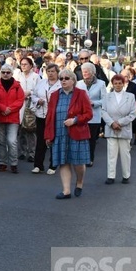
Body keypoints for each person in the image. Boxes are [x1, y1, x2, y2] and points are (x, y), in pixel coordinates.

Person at [44, 70, 93, 199]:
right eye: (61, 78)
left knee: (78, 163)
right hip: (59, 133)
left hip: (77, 132)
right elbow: (49, 116)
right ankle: (66, 190)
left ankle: (79, 182)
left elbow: (89, 114)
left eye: (66, 78)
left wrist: (75, 120)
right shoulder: (54, 95)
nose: (63, 80)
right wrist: (48, 135)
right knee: (63, 162)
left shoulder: (81, 94)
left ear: (73, 80)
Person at [102, 74, 136, 184]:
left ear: (124, 84)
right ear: (112, 84)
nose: (117, 85)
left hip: (124, 128)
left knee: (125, 154)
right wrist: (112, 123)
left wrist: (120, 123)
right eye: (115, 83)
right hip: (111, 127)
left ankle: (126, 175)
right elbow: (103, 111)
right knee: (111, 153)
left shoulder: (130, 96)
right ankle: (110, 176)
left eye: (120, 83)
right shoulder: (107, 96)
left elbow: (132, 114)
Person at [0, 63, 25, 173]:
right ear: (0, 73)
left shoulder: (17, 85)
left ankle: (13, 163)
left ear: (12, 73)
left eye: (8, 72)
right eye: (3, 72)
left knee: (12, 141)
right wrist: (2, 108)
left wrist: (9, 109)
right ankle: (2, 163)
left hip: (13, 117)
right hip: (0, 116)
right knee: (1, 141)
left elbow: (20, 100)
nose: (5, 74)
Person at [31, 63, 61, 175]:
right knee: (40, 140)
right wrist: (38, 100)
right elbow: (33, 95)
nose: (51, 73)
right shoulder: (41, 82)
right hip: (41, 114)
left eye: (53, 71)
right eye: (49, 71)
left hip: (55, 116)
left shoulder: (60, 84)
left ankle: (53, 165)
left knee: (53, 140)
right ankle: (38, 165)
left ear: (57, 73)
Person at [76, 62, 106, 167]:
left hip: (94, 115)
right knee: (81, 137)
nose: (84, 73)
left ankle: (90, 158)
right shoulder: (79, 83)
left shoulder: (101, 83)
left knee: (91, 138)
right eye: (83, 71)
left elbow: (104, 100)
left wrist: (94, 103)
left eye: (86, 71)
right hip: (82, 115)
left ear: (93, 72)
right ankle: (81, 157)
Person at [15, 56, 40, 163]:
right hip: (20, 105)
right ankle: (22, 151)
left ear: (31, 66)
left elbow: (39, 90)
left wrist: (30, 92)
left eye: (26, 64)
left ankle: (32, 152)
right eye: (22, 64)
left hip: (31, 105)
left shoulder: (36, 77)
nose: (23, 66)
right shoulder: (18, 76)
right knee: (21, 129)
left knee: (31, 129)